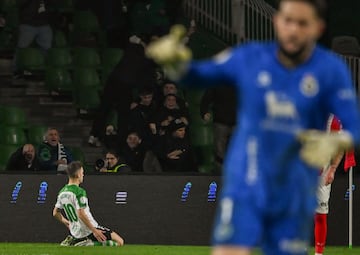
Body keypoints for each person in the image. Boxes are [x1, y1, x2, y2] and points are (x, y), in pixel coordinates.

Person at [146, 0, 360, 254]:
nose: (293, 29)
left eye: (303, 23)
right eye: (288, 20)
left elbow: (353, 123)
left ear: (318, 28)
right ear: (277, 21)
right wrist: (176, 63)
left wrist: (339, 140)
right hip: (247, 178)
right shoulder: (249, 57)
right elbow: (199, 74)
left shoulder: (331, 71)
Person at [53, 161, 124, 246]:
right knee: (119, 242)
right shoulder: (79, 192)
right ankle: (86, 243)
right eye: (82, 173)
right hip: (89, 229)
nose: (83, 175)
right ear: (78, 174)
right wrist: (95, 230)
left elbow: (55, 213)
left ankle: (76, 240)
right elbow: (81, 214)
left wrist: (68, 222)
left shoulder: (62, 192)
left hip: (75, 231)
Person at [314, 114, 344, 255]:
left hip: (323, 170)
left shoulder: (333, 120)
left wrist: (332, 169)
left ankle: (319, 252)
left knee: (321, 214)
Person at [200, 87, 237, 172]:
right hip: (220, 121)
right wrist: (204, 112)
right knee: (220, 150)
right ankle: (220, 175)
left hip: (237, 123)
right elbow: (206, 99)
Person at [14, 0, 54, 78]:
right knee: (22, 48)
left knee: (47, 48)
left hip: (44, 23)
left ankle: (45, 70)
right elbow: (19, 3)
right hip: (28, 23)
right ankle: (16, 70)